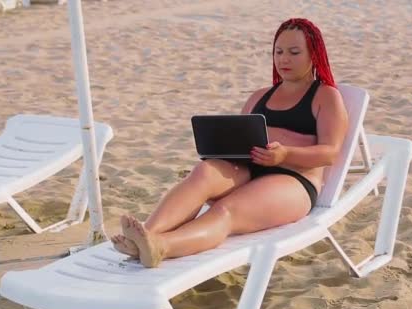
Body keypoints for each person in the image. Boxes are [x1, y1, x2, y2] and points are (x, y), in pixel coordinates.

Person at [111, 18, 349, 268]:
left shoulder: (326, 96)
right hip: (250, 169)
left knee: (227, 210)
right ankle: (146, 235)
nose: (284, 59)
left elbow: (330, 153)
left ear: (314, 54)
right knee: (204, 172)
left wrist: (285, 154)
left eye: (294, 52)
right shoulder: (259, 96)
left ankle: (162, 246)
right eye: (278, 52)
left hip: (294, 180)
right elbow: (241, 138)